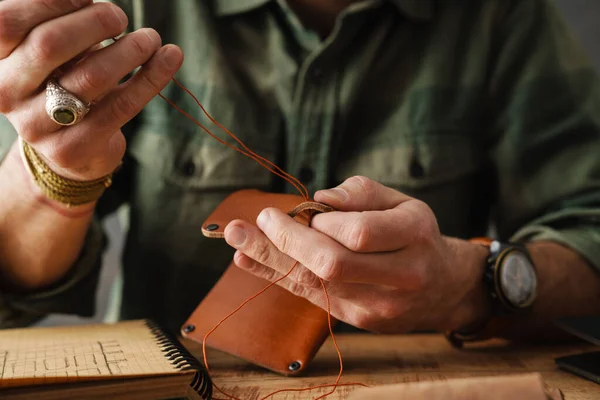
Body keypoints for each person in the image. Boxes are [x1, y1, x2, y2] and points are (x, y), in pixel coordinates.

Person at [0, 0, 599, 345]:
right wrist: (57, 178)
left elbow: (590, 227)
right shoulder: (132, 6)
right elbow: (13, 291)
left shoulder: (502, 17)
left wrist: (473, 283)